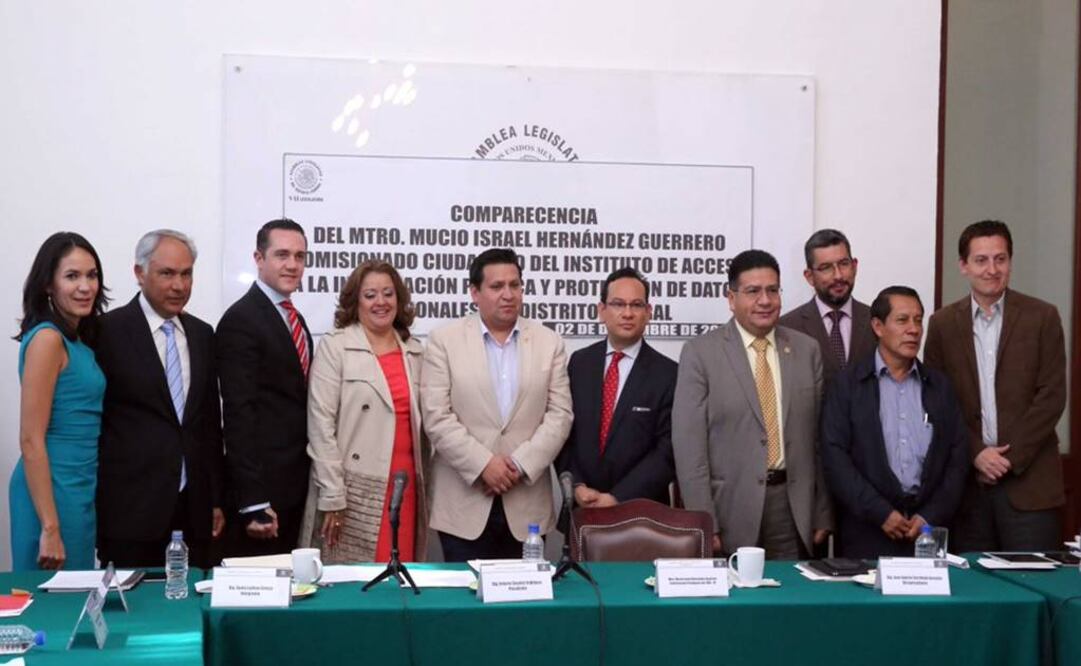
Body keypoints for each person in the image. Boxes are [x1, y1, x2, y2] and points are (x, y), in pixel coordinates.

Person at [672, 249, 831, 559]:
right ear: (731, 298)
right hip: (729, 509)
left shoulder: (806, 350)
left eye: (773, 290)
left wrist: (823, 511)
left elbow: (820, 441)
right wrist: (705, 522)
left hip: (793, 508)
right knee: (735, 606)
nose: (765, 300)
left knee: (790, 601)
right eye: (753, 291)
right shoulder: (700, 354)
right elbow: (690, 449)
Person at [421, 248, 573, 561]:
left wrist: (517, 465)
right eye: (497, 287)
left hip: (526, 502)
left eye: (515, 285)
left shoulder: (548, 342)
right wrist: (483, 465)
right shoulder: (443, 341)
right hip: (465, 501)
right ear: (474, 293)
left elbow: (560, 415)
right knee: (465, 606)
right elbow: (437, 416)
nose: (508, 295)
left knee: (525, 605)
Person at [924, 220, 1067, 552]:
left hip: (1030, 486)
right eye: (981, 260)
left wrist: (1007, 460)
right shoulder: (942, 325)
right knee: (975, 594)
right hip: (968, 488)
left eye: (1000, 259)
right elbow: (937, 401)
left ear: (1010, 262)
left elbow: (1052, 396)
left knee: (1037, 587)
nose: (992, 269)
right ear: (963, 266)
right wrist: (977, 454)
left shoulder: (1042, 317)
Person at [95, 230, 225, 569]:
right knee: (134, 617)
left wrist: (214, 499)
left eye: (186, 274)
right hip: (130, 513)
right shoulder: (105, 332)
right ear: (140, 273)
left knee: (191, 612)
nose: (179, 285)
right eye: (167, 273)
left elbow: (210, 425)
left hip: (193, 514)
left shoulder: (202, 335)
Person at [820, 286, 968, 558]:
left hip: (928, 534)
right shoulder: (848, 386)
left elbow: (957, 460)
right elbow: (835, 458)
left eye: (918, 320)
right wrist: (880, 513)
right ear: (878, 326)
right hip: (866, 531)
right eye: (902, 320)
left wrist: (929, 516)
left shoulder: (939, 387)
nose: (913, 329)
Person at [300, 260, 428, 562]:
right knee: (353, 582)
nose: (381, 302)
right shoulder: (336, 346)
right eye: (370, 295)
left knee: (401, 575)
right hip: (353, 488)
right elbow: (320, 425)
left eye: (388, 293)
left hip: (406, 484)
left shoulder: (416, 350)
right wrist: (332, 494)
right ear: (355, 300)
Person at [11, 232, 108, 570]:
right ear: (48, 285)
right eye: (72, 276)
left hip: (79, 486)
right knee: (50, 610)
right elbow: (30, 439)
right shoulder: (48, 340)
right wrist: (50, 527)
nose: (85, 286)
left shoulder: (78, 340)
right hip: (49, 491)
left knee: (76, 602)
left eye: (91, 275)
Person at [217, 219, 313, 556]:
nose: (292, 265)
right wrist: (253, 501)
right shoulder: (241, 320)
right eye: (282, 254)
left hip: (295, 487)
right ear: (259, 258)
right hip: (262, 498)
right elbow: (238, 415)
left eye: (300, 256)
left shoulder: (294, 319)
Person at [558, 267, 677, 507]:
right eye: (618, 304)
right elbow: (562, 430)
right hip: (583, 508)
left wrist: (616, 498)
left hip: (643, 512)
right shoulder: (579, 363)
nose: (627, 313)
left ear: (648, 312)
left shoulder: (669, 374)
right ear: (602, 311)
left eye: (636, 305)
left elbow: (668, 451)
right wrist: (577, 485)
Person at [779, 229, 875, 388]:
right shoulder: (787, 328)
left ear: (855, 266)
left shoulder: (876, 321)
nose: (838, 275)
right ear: (809, 276)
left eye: (844, 264)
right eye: (826, 268)